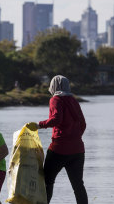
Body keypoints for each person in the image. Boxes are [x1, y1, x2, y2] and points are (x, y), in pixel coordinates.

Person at [27, 75, 88, 204]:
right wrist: (74, 137)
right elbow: (83, 123)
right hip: (78, 150)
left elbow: (57, 119)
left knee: (47, 180)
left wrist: (39, 125)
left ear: (53, 86)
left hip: (59, 149)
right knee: (78, 185)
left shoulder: (56, 99)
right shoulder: (73, 100)